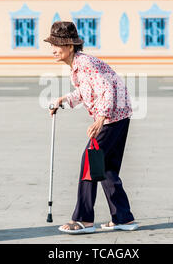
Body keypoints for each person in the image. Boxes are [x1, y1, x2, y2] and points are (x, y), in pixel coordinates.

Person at [44, 21, 138, 234]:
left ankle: (84, 220)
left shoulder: (85, 63)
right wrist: (63, 99)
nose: (53, 50)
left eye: (57, 45)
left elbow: (106, 90)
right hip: (119, 116)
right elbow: (87, 92)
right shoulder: (78, 66)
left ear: (70, 46)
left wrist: (100, 119)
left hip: (112, 117)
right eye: (52, 44)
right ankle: (123, 218)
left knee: (89, 160)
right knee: (106, 168)